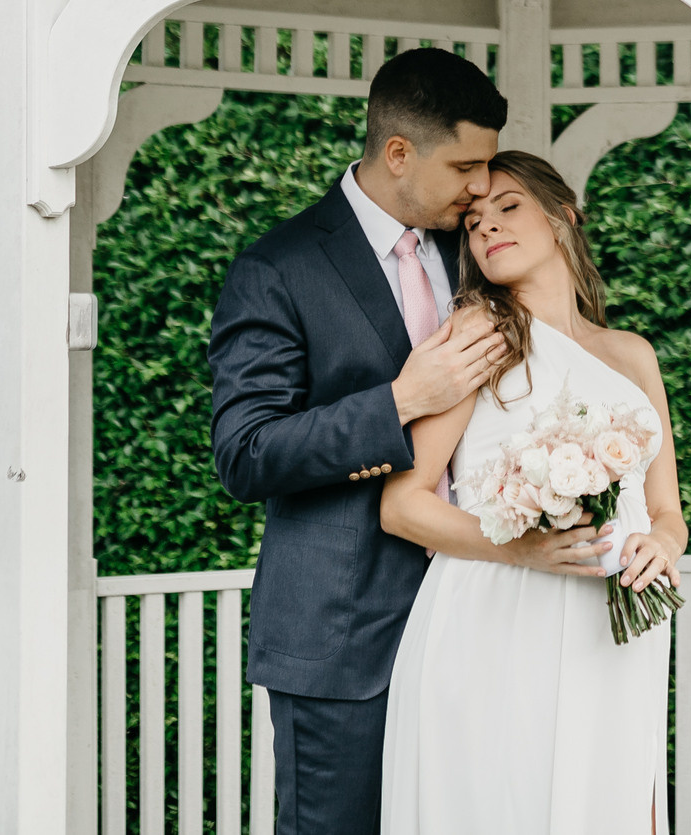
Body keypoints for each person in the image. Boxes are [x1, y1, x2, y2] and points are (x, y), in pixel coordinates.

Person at [209, 47, 514, 835]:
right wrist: (402, 400)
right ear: (399, 152)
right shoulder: (277, 268)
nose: (482, 186)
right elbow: (246, 451)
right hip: (341, 640)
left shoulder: (475, 252)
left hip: (475, 622)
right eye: (466, 165)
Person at [379, 151, 689, 835]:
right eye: (473, 222)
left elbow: (667, 509)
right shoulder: (477, 334)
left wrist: (661, 545)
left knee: (611, 799)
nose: (486, 225)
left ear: (561, 217)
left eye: (508, 206)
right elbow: (402, 505)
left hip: (614, 625)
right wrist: (522, 550)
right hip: (501, 613)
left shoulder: (632, 353)